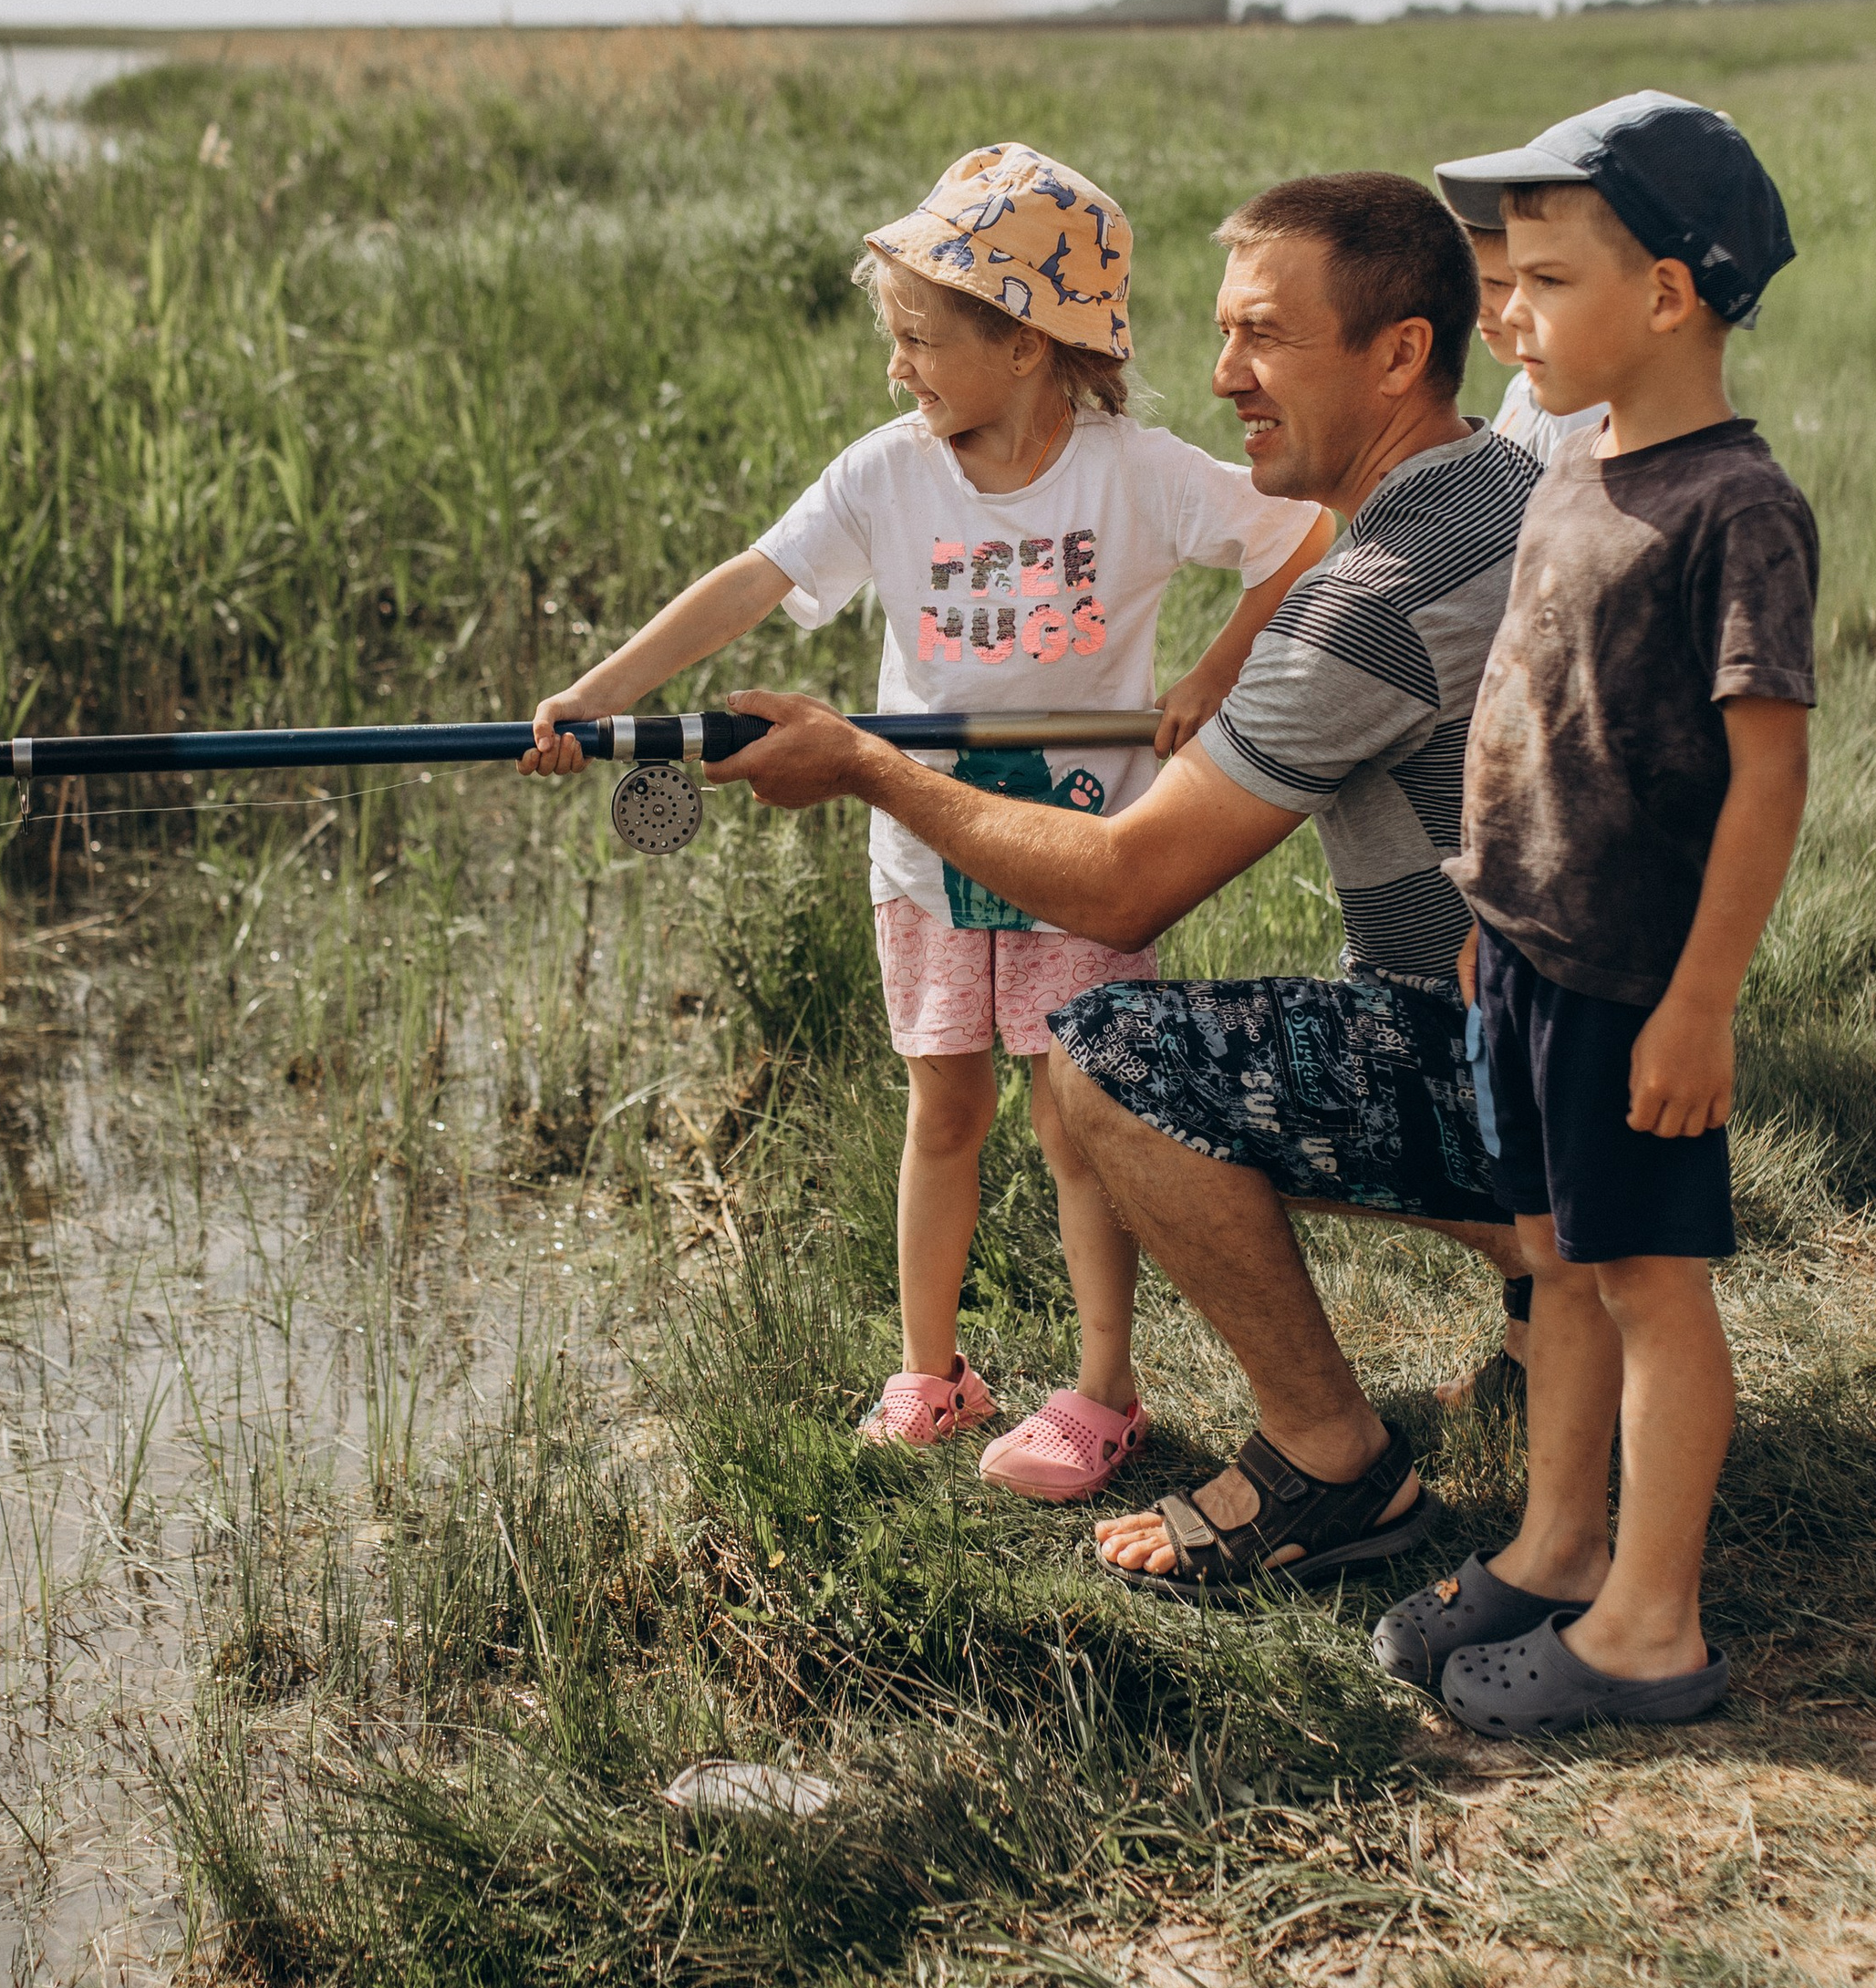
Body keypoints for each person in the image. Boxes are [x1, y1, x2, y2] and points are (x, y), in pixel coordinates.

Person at [705, 171, 1540, 1592]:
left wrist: (868, 766)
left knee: (1109, 1058)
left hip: (1524, 1066)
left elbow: (1122, 890)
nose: (1220, 379)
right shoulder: (1507, 484)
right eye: (1222, 334)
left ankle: (1332, 1457)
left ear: (1402, 355)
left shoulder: (1374, 597)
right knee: (1342, 1021)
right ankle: (1553, 1290)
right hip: (1566, 1033)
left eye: (1263, 338)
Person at [522, 141, 1328, 1496]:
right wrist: (596, 695)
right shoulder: (888, 475)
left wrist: (1211, 674)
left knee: (1077, 1115)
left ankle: (1101, 1390)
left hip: (1083, 850)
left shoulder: (1135, 472)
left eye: (919, 339)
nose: (897, 368)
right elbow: (750, 583)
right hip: (927, 853)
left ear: (1025, 343)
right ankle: (932, 1369)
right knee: (942, 1105)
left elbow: (1298, 543)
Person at [1370, 90, 1814, 1734]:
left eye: (1544, 283)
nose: (1506, 314)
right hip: (1531, 957)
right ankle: (1558, 1549)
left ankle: (1651, 1624)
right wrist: (1494, 912)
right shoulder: (1576, 459)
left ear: (1671, 296)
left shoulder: (1733, 507)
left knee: (1647, 1280)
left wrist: (1702, 1003)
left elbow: (1767, 779)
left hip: (1639, 980)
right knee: (1558, 1258)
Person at [1470, 214, 1608, 465]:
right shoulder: (1521, 387)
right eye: (1474, 283)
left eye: (1497, 284)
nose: (1478, 306)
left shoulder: (1577, 414)